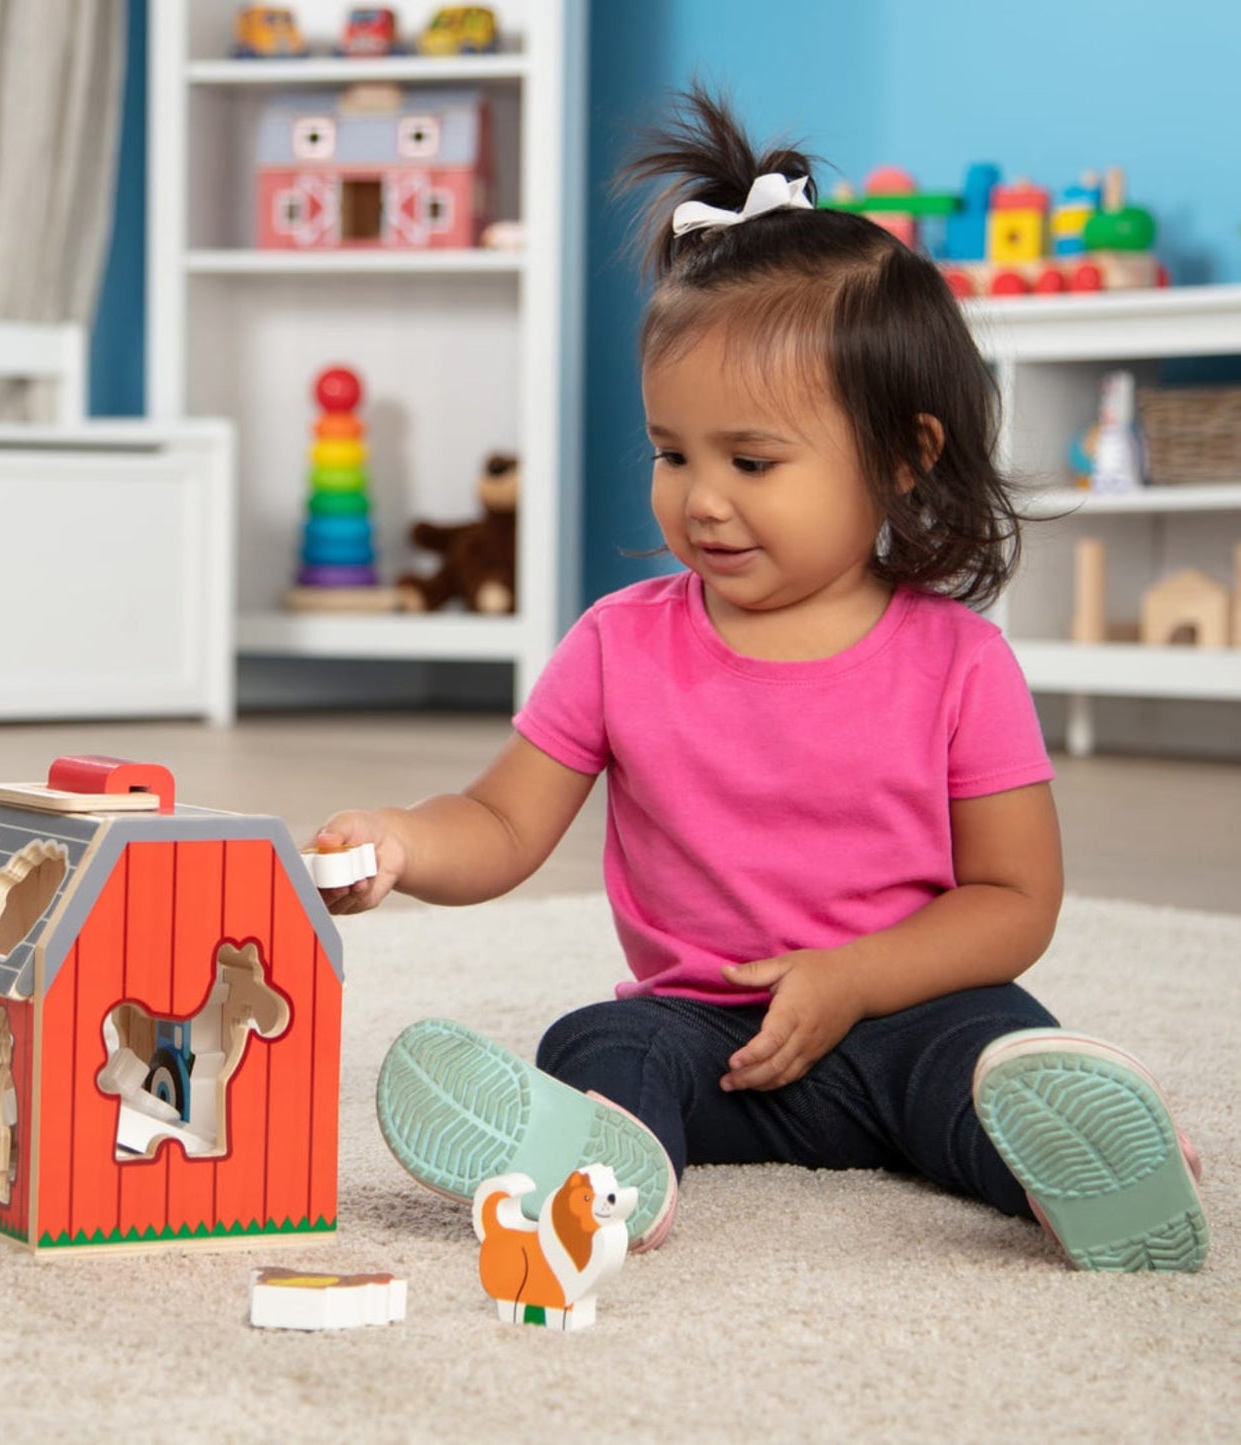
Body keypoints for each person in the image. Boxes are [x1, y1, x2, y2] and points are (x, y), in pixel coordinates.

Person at [311, 88, 1208, 1272]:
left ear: (901, 457)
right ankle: (602, 1172)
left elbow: (1013, 900)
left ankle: (1080, 1177)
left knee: (994, 1058)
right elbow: (498, 819)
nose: (702, 496)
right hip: (714, 1036)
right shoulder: (618, 642)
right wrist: (407, 843)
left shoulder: (957, 661)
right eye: (669, 452)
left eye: (750, 459)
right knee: (598, 1039)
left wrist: (853, 977)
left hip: (903, 1012)